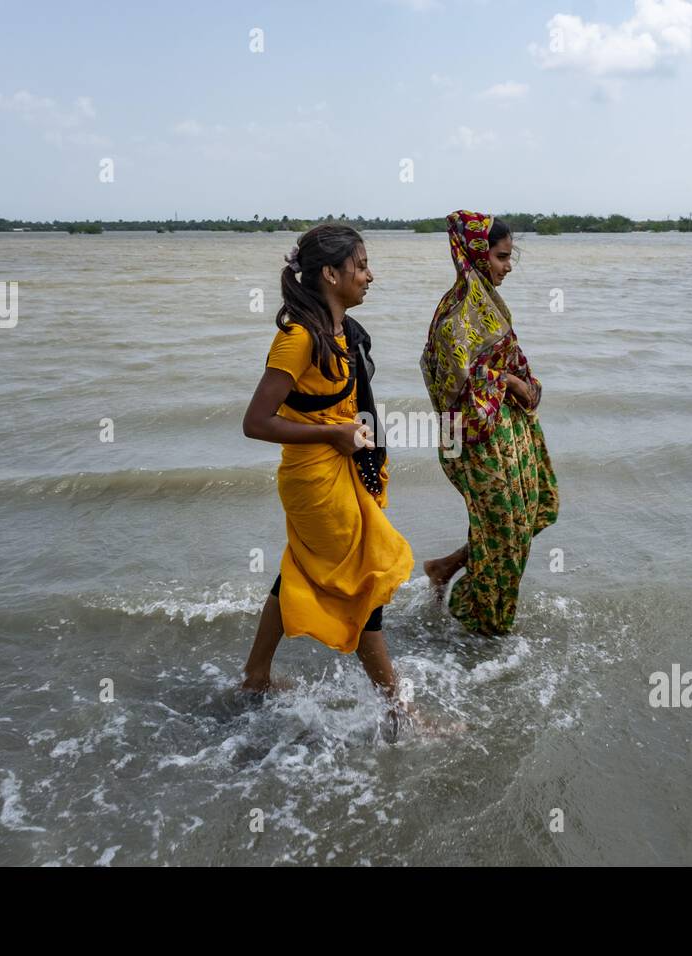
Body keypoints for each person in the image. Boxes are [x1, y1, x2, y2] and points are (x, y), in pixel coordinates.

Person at [239, 224, 414, 716]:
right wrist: (330, 435)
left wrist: (362, 452)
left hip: (341, 473)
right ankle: (397, 708)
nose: (369, 276)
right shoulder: (298, 338)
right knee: (366, 581)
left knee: (296, 568)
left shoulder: (343, 333)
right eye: (360, 266)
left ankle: (255, 678)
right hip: (316, 481)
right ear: (330, 274)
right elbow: (255, 422)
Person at [420, 211, 559, 636]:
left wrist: (516, 383)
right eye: (501, 257)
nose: (507, 266)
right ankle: (487, 630)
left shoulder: (490, 307)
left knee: (521, 520)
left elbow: (510, 366)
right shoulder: (456, 314)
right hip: (476, 439)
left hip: (510, 431)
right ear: (479, 256)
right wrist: (510, 381)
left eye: (509, 257)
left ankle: (445, 570)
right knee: (503, 529)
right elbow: (451, 385)